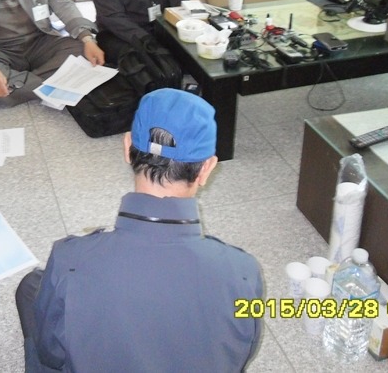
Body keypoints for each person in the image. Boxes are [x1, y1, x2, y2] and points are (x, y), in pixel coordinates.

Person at [16, 88, 263, 372]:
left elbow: (50, 353)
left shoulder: (70, 258)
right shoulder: (243, 270)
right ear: (206, 168)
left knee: (31, 287)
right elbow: (241, 354)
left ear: (127, 147)